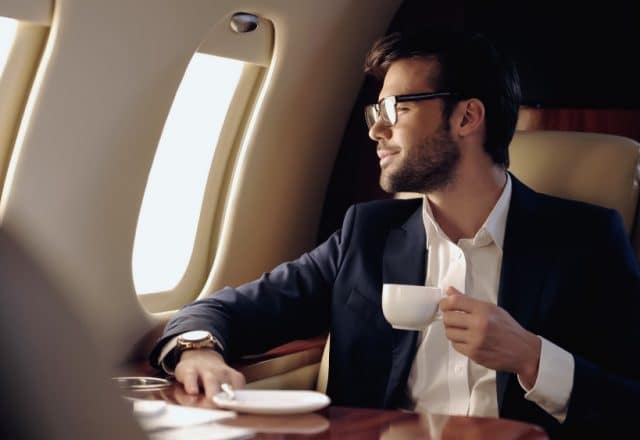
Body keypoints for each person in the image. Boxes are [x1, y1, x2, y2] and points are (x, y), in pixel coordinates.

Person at [150, 30, 640, 436]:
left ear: (467, 117)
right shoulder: (365, 235)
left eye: (396, 110)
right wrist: (200, 353)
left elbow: (629, 403)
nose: (376, 132)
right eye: (375, 114)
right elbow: (223, 310)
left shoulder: (586, 241)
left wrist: (532, 358)